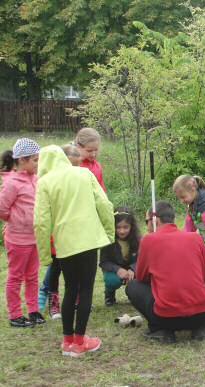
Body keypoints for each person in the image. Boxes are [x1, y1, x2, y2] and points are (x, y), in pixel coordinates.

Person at [34, 145, 114, 357]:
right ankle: (80, 342)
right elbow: (104, 204)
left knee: (70, 289)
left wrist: (44, 254)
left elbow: (41, 223)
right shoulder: (84, 173)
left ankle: (68, 341)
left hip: (65, 243)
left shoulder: (44, 183)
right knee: (86, 290)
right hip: (88, 240)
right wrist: (109, 233)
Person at [125, 201, 205, 343]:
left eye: (146, 221)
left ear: (155, 220)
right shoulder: (195, 237)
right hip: (202, 315)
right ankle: (200, 328)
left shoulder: (148, 240)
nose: (146, 226)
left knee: (132, 286)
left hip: (166, 318)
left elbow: (142, 278)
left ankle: (160, 330)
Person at [0, 138, 45, 328]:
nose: (38, 164)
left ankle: (33, 310)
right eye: (35, 160)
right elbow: (2, 208)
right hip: (18, 239)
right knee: (16, 276)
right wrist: (16, 220)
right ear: (22, 161)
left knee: (33, 276)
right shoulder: (12, 183)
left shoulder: (36, 179)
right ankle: (15, 314)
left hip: (34, 238)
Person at [38, 143, 82, 319]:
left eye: (77, 165)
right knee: (55, 269)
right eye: (71, 165)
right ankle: (53, 301)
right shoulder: (48, 182)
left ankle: (77, 297)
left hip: (74, 233)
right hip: (56, 235)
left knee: (77, 268)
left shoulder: (80, 180)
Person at [100, 207, 141, 306]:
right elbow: (103, 262)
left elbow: (142, 259)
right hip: (114, 270)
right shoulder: (108, 240)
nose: (122, 231)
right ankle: (109, 295)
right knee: (112, 281)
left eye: (125, 227)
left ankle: (134, 294)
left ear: (132, 227)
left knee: (143, 276)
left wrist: (133, 269)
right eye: (118, 227)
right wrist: (118, 269)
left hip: (131, 269)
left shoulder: (138, 240)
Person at [75, 127, 107, 191]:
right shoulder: (73, 166)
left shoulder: (97, 166)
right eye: (89, 151)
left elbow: (101, 191)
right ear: (78, 147)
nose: (93, 154)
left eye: (96, 150)